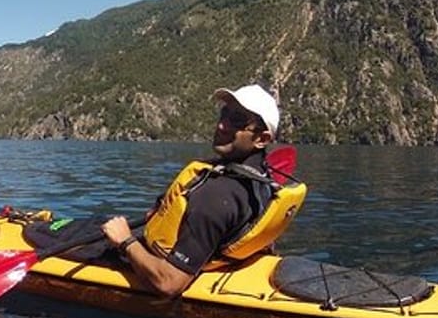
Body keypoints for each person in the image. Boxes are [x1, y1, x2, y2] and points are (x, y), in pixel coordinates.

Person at [101, 84, 299, 298]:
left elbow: (169, 283)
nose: (222, 125)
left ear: (262, 139)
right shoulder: (262, 179)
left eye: (237, 120)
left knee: (74, 235)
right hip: (205, 251)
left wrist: (125, 241)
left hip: (156, 261)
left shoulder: (215, 196)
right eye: (224, 114)